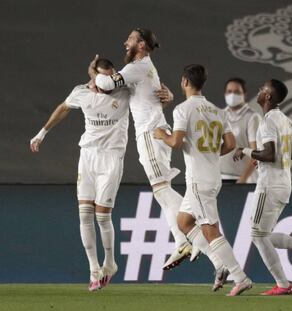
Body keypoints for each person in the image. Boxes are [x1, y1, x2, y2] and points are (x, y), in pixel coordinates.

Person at [89, 28, 194, 269]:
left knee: (161, 190)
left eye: (131, 39)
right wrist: (167, 96)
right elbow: (146, 93)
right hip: (153, 130)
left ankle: (196, 231)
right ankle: (181, 240)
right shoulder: (143, 68)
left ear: (142, 44)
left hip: (150, 132)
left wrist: (94, 70)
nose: (125, 42)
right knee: (161, 191)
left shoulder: (137, 67)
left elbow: (106, 83)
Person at [30, 58, 129, 291]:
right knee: (85, 214)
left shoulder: (124, 91)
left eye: (111, 76)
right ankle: (94, 269)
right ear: (94, 76)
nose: (109, 82)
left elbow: (150, 96)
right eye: (104, 77)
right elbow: (64, 107)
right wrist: (41, 133)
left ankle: (110, 263)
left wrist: (167, 96)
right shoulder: (81, 92)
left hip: (112, 157)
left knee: (102, 217)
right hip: (88, 156)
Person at [154, 64, 252, 296]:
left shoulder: (182, 109)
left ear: (185, 82)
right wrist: (208, 154)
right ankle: (219, 264)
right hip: (213, 176)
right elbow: (229, 145)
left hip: (198, 179)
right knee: (184, 221)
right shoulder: (218, 111)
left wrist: (162, 135)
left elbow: (176, 142)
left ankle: (240, 277)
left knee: (210, 229)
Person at [233, 79, 292, 295]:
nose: (258, 91)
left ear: (268, 96)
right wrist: (269, 158)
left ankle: (283, 284)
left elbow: (269, 154)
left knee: (257, 235)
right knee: (262, 234)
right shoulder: (284, 119)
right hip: (284, 184)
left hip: (269, 185)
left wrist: (246, 151)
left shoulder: (267, 122)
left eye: (262, 89)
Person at [220, 78, 261, 183]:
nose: (232, 95)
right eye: (229, 92)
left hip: (243, 180)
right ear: (225, 94)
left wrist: (243, 179)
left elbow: (256, 153)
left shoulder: (252, 117)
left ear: (244, 94)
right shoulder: (220, 115)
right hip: (220, 178)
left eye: (237, 92)